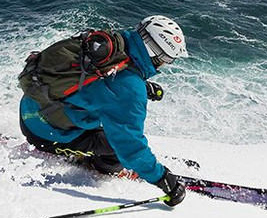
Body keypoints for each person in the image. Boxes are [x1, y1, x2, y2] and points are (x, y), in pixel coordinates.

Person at [18, 15, 189, 206]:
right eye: (168, 59)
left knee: (109, 124)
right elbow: (131, 149)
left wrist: (142, 85)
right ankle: (96, 166)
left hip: (31, 107)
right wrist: (166, 182)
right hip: (46, 134)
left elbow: (97, 84)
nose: (165, 65)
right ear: (158, 56)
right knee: (116, 150)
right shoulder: (130, 91)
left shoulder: (108, 46)